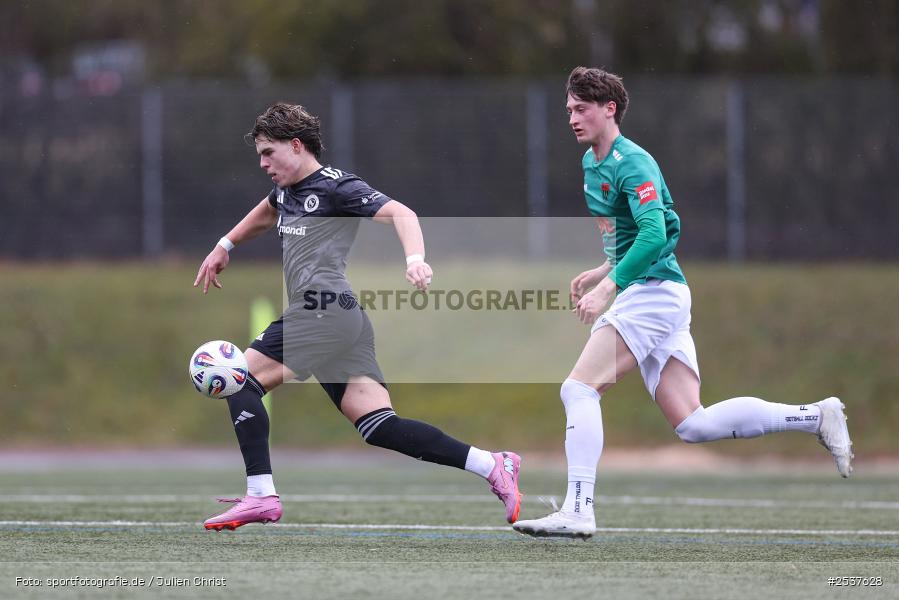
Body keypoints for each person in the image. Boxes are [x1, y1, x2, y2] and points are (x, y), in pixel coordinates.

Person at [513, 67, 853, 539]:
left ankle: (578, 509)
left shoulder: (633, 163)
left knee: (579, 389)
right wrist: (603, 269)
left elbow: (656, 233)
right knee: (694, 424)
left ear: (609, 109)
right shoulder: (592, 162)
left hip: (652, 294)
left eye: (581, 108)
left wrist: (609, 287)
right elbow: (638, 233)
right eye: (568, 109)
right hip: (657, 292)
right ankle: (816, 416)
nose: (571, 118)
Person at [194, 102, 521, 531]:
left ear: (296, 145)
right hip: (340, 317)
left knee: (239, 379)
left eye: (269, 152)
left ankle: (260, 495)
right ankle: (492, 464)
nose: (263, 164)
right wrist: (225, 245)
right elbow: (268, 211)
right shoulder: (285, 189)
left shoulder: (337, 187)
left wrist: (415, 260)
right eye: (260, 155)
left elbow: (402, 213)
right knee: (379, 426)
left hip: (323, 309)